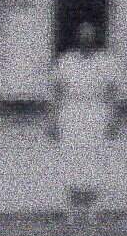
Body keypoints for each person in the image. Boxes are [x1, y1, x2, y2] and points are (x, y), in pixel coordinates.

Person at [49, 22, 119, 219]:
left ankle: (92, 209)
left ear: (95, 39)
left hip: (97, 111)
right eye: (82, 36)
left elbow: (112, 93)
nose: (86, 40)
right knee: (71, 156)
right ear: (77, 38)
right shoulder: (66, 61)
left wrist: (112, 120)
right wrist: (53, 120)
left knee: (95, 156)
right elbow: (57, 91)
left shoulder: (106, 62)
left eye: (90, 36)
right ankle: (70, 208)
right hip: (71, 111)